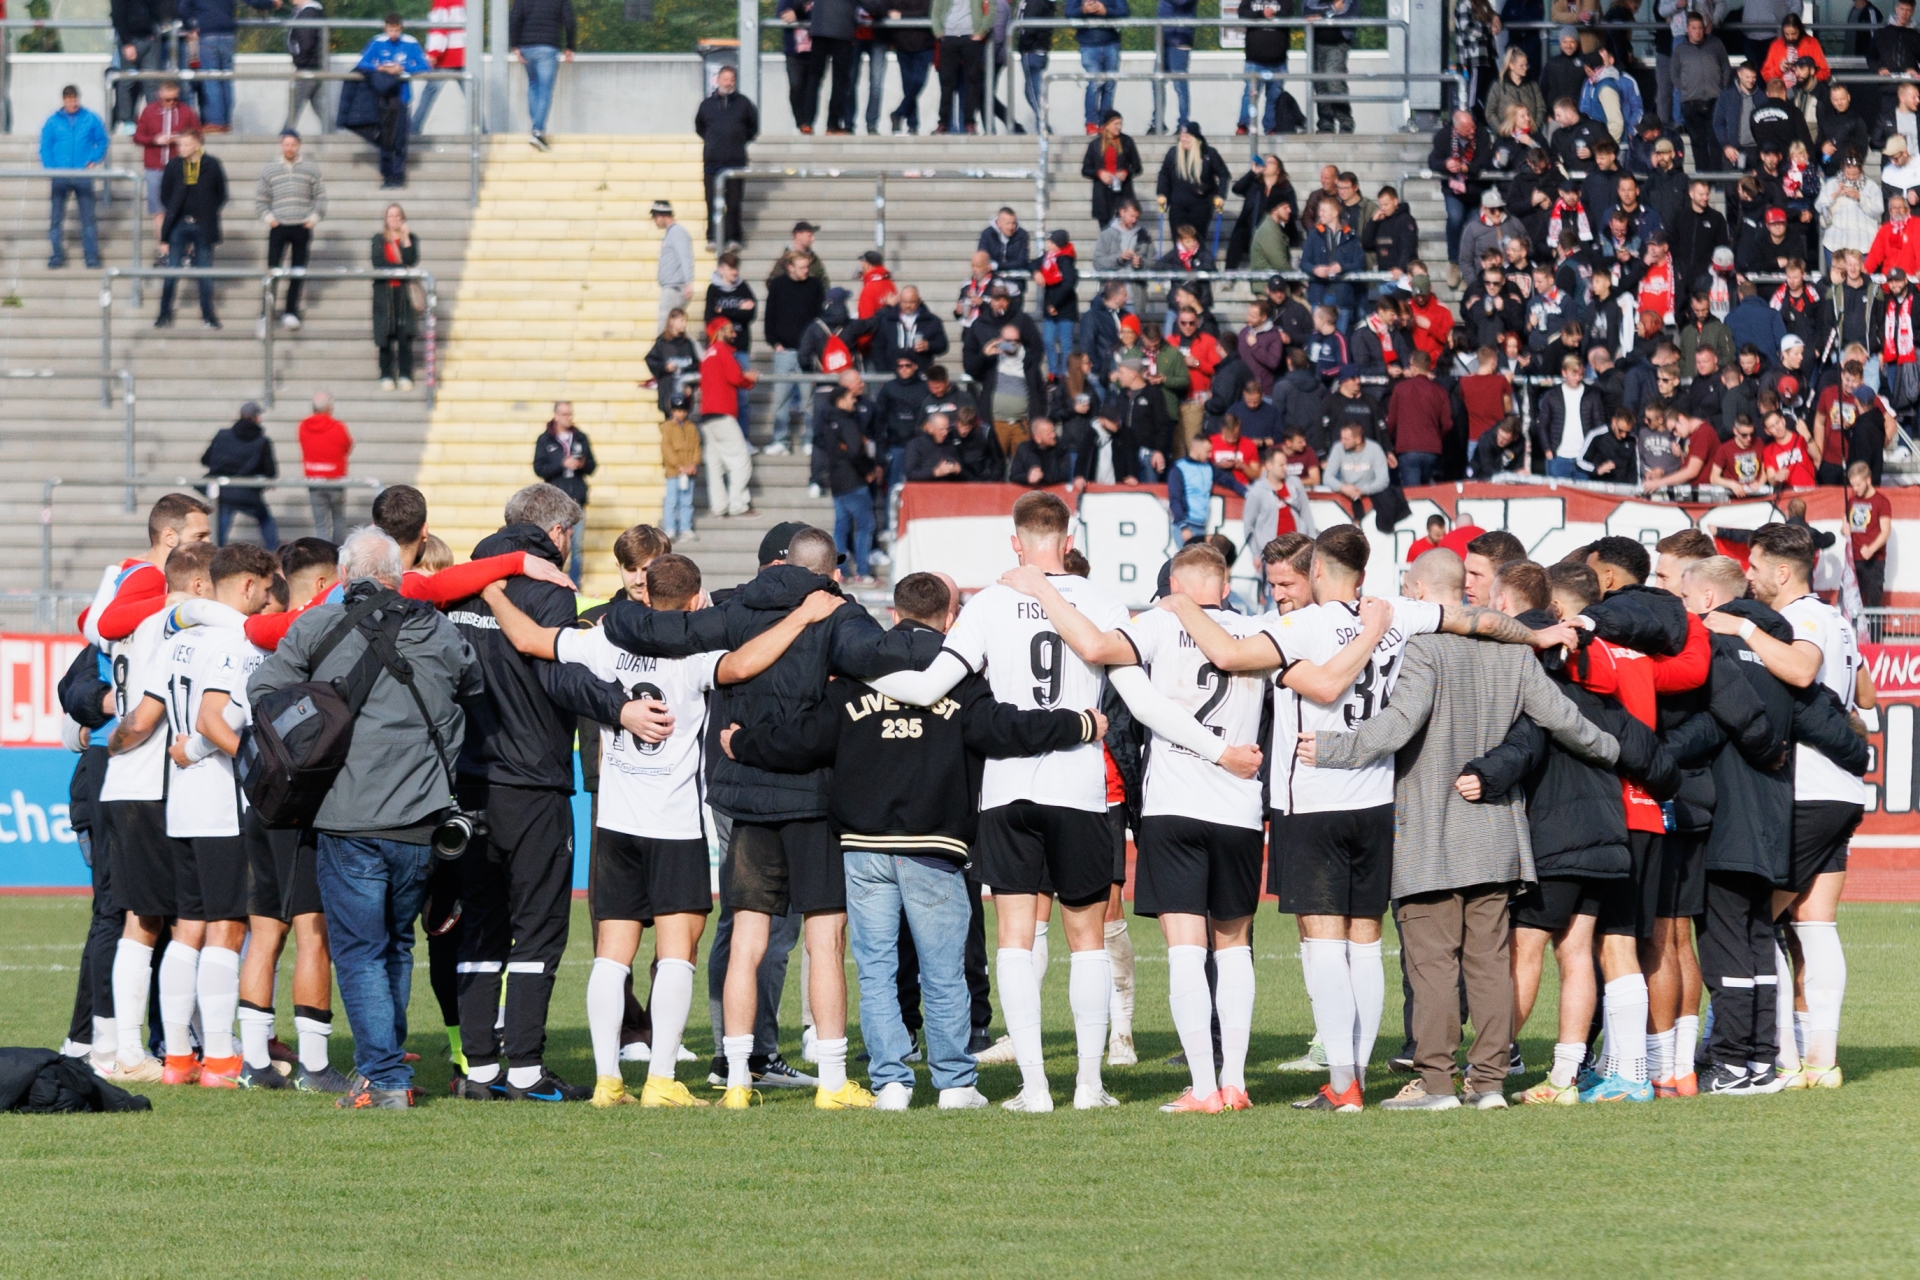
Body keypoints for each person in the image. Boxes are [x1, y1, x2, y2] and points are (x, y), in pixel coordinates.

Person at [867, 493, 1248, 1111]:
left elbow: (928, 686)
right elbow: (1145, 704)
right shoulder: (1101, 603)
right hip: (1081, 789)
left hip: (1008, 790)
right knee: (1087, 938)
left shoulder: (988, 604)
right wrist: (1220, 751)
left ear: (1016, 544)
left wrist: (854, 668)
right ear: (1069, 542)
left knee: (1016, 939)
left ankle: (1035, 1088)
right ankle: (1090, 1086)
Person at [598, 523, 946, 1107]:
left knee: (747, 940)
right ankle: (832, 1082)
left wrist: (620, 612)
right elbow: (887, 654)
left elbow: (661, 629)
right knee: (824, 941)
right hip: (813, 799)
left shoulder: (734, 609)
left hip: (746, 798)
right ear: (828, 571)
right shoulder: (836, 613)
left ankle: (737, 1078)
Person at [730, 572, 1103, 1109]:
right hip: (934, 844)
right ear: (950, 619)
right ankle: (954, 1083)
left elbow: (804, 740)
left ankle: (891, 1083)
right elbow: (1005, 728)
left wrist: (743, 741)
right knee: (943, 970)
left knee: (877, 971)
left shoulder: (857, 672)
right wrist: (1078, 724)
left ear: (894, 613)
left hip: (864, 846)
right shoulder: (961, 673)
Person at [1298, 550, 1615, 1110]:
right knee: (1489, 964)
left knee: (1433, 966)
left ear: (1420, 591)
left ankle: (1437, 1083)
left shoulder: (1424, 648)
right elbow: (1564, 721)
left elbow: (1397, 726)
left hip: (1430, 836)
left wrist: (1331, 748)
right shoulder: (1514, 654)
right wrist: (1615, 751)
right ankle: (1488, 1083)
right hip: (1496, 837)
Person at [247, 528, 483, 1109]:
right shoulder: (438, 629)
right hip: (422, 818)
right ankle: (388, 1066)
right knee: (396, 945)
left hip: (347, 816)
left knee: (360, 951)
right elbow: (472, 686)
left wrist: (317, 719)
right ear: (396, 577)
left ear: (346, 577)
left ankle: (384, 1077)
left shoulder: (317, 625)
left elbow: (263, 689)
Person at [1706, 523, 1866, 1091]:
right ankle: (1819, 1059)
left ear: (1781, 571)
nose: (1748, 575)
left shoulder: (1803, 617)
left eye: (1754, 565)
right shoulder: (1838, 619)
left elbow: (1800, 670)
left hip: (1808, 787)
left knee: (1755, 918)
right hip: (1842, 790)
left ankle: (1780, 1056)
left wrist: (1744, 627)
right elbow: (1865, 697)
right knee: (1814, 923)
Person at [90, 495, 213, 1085]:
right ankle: (131, 1051)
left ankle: (164, 1047)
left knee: (158, 918)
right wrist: (125, 738)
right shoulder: (170, 619)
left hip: (129, 782)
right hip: (149, 782)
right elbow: (146, 712)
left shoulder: (134, 623)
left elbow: (101, 627)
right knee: (153, 919)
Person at [156, 130, 227, 330]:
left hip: (203, 224)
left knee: (204, 272)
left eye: (186, 144)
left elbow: (221, 194)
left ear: (197, 144)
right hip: (179, 224)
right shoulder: (174, 165)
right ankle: (164, 313)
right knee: (172, 270)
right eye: (180, 145)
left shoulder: (211, 164)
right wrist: (174, 211)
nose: (181, 148)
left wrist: (208, 211)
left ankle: (208, 315)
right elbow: (165, 194)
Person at [255, 130, 326, 332]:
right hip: (279, 226)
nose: (289, 148)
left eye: (293, 144)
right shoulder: (270, 169)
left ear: (299, 145)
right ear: (281, 145)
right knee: (273, 272)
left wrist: (313, 218)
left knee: (297, 271)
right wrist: (270, 219)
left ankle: (290, 312)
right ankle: (266, 314)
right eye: (286, 144)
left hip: (301, 227)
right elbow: (261, 198)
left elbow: (320, 196)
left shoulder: (310, 168)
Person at [351, 14, 430, 186]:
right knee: (385, 137)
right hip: (382, 96)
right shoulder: (377, 42)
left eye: (396, 30)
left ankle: (399, 175)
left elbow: (424, 65)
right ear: (385, 28)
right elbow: (363, 63)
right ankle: (386, 175)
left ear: (401, 29)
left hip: (401, 96)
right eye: (390, 30)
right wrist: (379, 68)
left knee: (400, 137)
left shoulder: (410, 43)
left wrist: (402, 68)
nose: (393, 34)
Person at [41, 86, 108, 272]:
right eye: (69, 100)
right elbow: (46, 146)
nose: (73, 103)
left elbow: (102, 141)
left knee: (88, 218)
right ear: (64, 100)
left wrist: (94, 159)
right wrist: (52, 168)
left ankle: (91, 257)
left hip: (82, 175)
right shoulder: (53, 121)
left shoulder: (90, 118)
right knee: (56, 218)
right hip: (60, 176)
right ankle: (57, 255)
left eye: (75, 99)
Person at [531, 402, 595, 585]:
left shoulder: (580, 437)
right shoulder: (545, 439)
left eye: (570, 414)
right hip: (554, 503)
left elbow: (592, 465)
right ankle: (553, 582)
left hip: (576, 501)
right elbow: (539, 468)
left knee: (576, 545)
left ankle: (574, 584)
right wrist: (561, 464)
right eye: (565, 414)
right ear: (556, 415)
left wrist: (581, 465)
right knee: (553, 543)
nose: (569, 418)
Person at [201, 401, 279, 549]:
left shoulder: (222, 435)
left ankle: (214, 554)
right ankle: (275, 552)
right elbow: (271, 472)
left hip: (223, 491)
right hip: (247, 493)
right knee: (265, 520)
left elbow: (205, 459)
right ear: (256, 417)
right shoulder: (262, 441)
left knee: (220, 530)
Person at [700, 320, 759, 519]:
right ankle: (738, 505)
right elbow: (735, 377)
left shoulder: (708, 353)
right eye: (730, 330)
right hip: (722, 413)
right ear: (719, 331)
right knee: (741, 460)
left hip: (707, 415)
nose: (734, 334)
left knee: (715, 465)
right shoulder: (722, 350)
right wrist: (749, 378)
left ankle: (719, 506)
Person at [695, 65, 758, 250]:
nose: (728, 83)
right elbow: (700, 127)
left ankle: (733, 238)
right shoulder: (706, 104)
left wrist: (737, 140)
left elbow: (753, 128)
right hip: (712, 162)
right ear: (718, 80)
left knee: (734, 202)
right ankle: (713, 238)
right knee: (711, 201)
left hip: (736, 161)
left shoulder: (744, 104)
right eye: (725, 79)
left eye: (731, 79)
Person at [508, 0, 575, 149]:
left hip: (527, 47)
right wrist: (570, 46)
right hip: (548, 47)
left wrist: (515, 45)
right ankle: (537, 132)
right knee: (545, 90)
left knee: (533, 85)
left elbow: (514, 19)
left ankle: (536, 129)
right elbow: (569, 21)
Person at [370, 203, 421, 389]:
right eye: (390, 215)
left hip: (404, 293)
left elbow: (411, 260)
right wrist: (401, 269)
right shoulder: (379, 239)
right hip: (384, 293)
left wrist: (405, 237)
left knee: (404, 335)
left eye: (397, 215)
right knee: (384, 335)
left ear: (403, 218)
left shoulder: (411, 238)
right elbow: (378, 262)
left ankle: (405, 374)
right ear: (385, 219)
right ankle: (386, 374)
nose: (394, 219)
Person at [1155, 124, 1230, 245]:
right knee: (1179, 240)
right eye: (1182, 136)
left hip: (1201, 205)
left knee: (1197, 240)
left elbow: (1224, 174)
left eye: (1187, 136)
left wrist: (1220, 195)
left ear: (1195, 138)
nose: (1184, 139)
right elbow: (1164, 174)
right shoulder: (1173, 153)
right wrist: (1162, 193)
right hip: (1178, 205)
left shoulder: (1209, 153)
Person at [297, 392, 353, 541]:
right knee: (338, 519)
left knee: (320, 524)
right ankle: (338, 551)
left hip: (314, 478)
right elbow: (347, 446)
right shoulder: (338, 427)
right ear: (329, 407)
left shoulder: (303, 426)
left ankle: (323, 553)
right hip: (335, 478)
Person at [1068, 0, 1127, 132]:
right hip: (1088, 44)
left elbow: (1124, 11)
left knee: (1109, 85)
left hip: (1112, 43)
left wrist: (1105, 11)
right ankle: (1091, 123)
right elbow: (1069, 12)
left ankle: (1105, 123)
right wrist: (1083, 10)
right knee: (1095, 82)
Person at [410, 0, 468, 134]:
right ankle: (482, 130)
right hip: (462, 55)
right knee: (471, 94)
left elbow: (439, 28)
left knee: (428, 95)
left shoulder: (441, 2)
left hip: (445, 58)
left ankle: (413, 131)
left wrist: (433, 53)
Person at [934, 0, 990, 133]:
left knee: (972, 80)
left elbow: (991, 9)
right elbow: (935, 12)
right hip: (948, 37)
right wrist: (938, 32)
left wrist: (982, 31)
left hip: (970, 37)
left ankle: (969, 122)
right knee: (947, 82)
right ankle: (943, 123)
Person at [1304, 0, 1357, 133]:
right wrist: (1332, 9)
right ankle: (1326, 124)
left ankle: (1345, 121)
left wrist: (1322, 15)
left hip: (1338, 43)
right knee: (1320, 85)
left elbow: (1348, 15)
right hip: (1316, 42)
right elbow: (1307, 13)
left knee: (1334, 79)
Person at [1082, 111, 1142, 226]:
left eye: (1120, 124)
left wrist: (1126, 172)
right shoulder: (1095, 145)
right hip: (1103, 194)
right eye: (1115, 124)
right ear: (1107, 125)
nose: (1119, 127)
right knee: (1106, 230)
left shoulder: (1127, 141)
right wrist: (1099, 173)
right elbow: (1085, 169)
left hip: (1123, 192)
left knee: (1125, 229)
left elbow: (1137, 167)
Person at [1848, 461, 1892, 607]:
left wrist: (1871, 549)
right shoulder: (1852, 500)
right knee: (1851, 603)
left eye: (1858, 485)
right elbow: (1846, 524)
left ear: (1868, 480)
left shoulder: (1882, 502)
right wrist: (1844, 528)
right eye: (1852, 485)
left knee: (1873, 604)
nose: (1855, 489)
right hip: (1853, 559)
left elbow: (1885, 531)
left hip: (1874, 561)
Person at [890, 0, 937, 133]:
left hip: (924, 44)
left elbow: (928, 10)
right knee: (908, 86)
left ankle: (898, 113)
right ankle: (912, 124)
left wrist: (902, 15)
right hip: (902, 44)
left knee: (918, 81)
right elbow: (888, 9)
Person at [659, 393, 701, 542]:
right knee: (671, 501)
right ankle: (670, 528)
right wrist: (679, 466)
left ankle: (685, 528)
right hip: (674, 472)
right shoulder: (667, 428)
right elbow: (667, 449)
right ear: (672, 411)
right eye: (677, 411)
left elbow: (696, 447)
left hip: (689, 472)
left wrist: (694, 464)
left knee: (686, 501)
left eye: (683, 411)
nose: (680, 414)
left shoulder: (691, 427)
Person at [653, 200, 694, 333]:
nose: (654, 220)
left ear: (663, 215)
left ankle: (661, 347)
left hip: (675, 288)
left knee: (665, 326)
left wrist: (688, 282)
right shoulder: (671, 233)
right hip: (672, 287)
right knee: (673, 327)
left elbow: (685, 257)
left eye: (655, 216)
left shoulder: (677, 232)